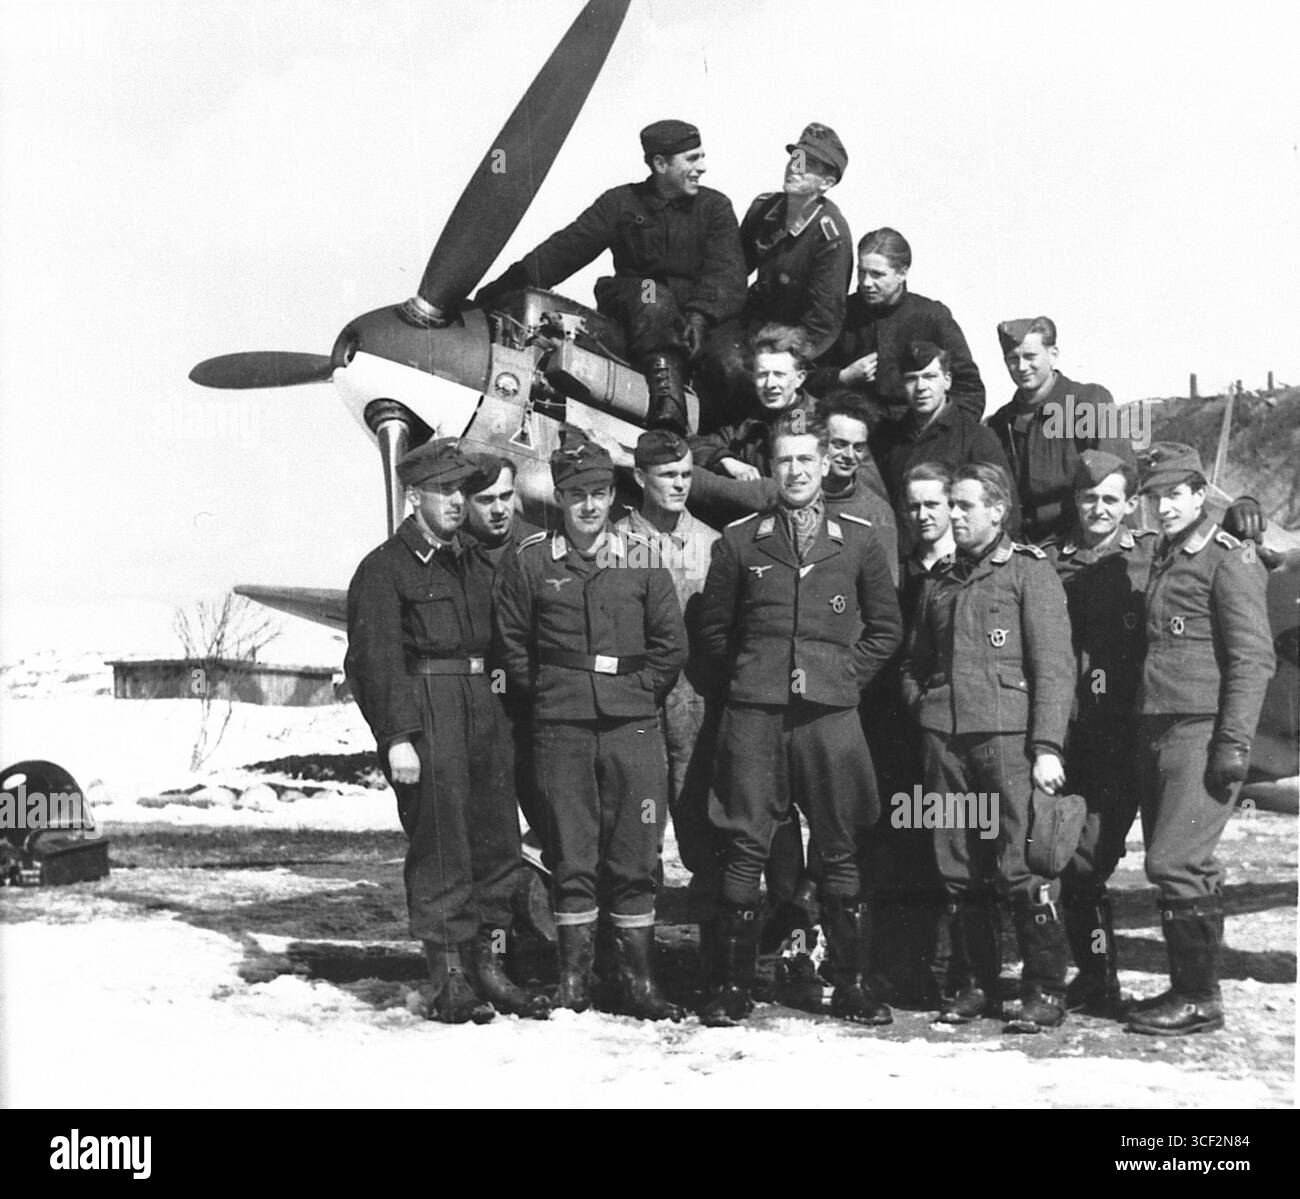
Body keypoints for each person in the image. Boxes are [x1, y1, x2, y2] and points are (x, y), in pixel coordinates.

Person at [697, 414, 903, 1025]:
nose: (795, 472)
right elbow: (712, 629)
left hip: (829, 717)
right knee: (745, 844)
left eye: (805, 461)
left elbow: (886, 628)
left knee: (840, 846)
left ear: (825, 465)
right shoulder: (739, 540)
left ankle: (853, 985)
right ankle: (734, 988)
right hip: (755, 716)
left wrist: (841, 678)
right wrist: (750, 678)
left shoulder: (859, 538)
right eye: (783, 461)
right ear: (772, 467)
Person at [344, 438, 550, 1023]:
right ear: (415, 496)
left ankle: (490, 968)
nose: (458, 501)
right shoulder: (384, 568)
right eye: (445, 490)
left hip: (483, 706)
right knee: (441, 843)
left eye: (463, 489)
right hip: (429, 708)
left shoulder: (470, 560)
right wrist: (397, 736)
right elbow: (373, 661)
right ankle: (449, 979)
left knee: (494, 840)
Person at [495, 430, 688, 1020]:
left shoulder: (643, 559)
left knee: (635, 857)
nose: (589, 506)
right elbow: (512, 649)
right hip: (561, 729)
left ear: (612, 495)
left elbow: (669, 646)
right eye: (577, 494)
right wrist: (556, 696)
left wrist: (631, 694)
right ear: (559, 496)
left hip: (632, 729)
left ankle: (639, 985)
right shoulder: (530, 561)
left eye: (600, 493)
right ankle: (575, 983)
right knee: (571, 857)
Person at [901, 462, 1075, 1031]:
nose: (952, 515)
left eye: (965, 506)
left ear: (997, 511)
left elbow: (1054, 669)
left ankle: (1044, 990)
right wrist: (922, 706)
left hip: (1005, 740)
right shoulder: (941, 577)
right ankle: (972, 985)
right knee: (956, 861)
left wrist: (1047, 744)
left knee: (1019, 861)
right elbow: (914, 660)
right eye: (950, 505)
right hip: (946, 743)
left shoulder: (1029, 572)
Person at [1125, 443, 1274, 1036]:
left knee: (1173, 860)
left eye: (1174, 494)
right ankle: (1195, 992)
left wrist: (1233, 745)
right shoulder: (1161, 555)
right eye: (1154, 496)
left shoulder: (1227, 559)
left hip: (1201, 729)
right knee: (1191, 867)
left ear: (1197, 493)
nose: (1162, 506)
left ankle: (1196, 997)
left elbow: (1253, 658)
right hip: (1157, 727)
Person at [475, 120, 746, 434]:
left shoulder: (715, 207)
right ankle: (668, 405)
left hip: (696, 316)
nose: (702, 167)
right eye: (692, 159)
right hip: (637, 306)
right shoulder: (620, 203)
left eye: (701, 157)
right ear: (660, 163)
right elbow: (566, 249)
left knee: (735, 367)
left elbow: (727, 271)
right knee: (653, 293)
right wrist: (499, 291)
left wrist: (701, 316)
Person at [1042, 452, 1157, 1017]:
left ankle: (1098, 972)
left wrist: (1236, 512)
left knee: (1089, 862)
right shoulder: (1047, 561)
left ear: (1130, 505)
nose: (1099, 509)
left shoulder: (1152, 556)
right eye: (1089, 498)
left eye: (1112, 499)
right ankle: (1095, 975)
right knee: (1065, 861)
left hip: (1122, 733)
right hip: (1068, 731)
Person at [613, 430, 724, 983]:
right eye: (667, 476)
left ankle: (713, 958)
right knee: (637, 827)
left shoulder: (711, 542)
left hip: (694, 700)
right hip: (636, 698)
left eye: (685, 475)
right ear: (640, 479)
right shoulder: (615, 543)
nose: (679, 485)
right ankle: (636, 964)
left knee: (701, 825)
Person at [805, 227, 985, 418]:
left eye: (877, 274)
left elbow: (970, 391)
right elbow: (801, 382)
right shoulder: (840, 314)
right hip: (851, 434)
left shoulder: (931, 316)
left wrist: (944, 438)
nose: (866, 282)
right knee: (795, 427)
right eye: (861, 272)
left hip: (914, 436)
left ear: (902, 273)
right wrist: (841, 377)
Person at [985, 316, 1135, 545]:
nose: (1022, 367)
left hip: (1082, 540)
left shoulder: (1088, 402)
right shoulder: (1002, 422)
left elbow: (1117, 479)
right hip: (1025, 546)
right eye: (1013, 359)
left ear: (1053, 354)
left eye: (1030, 356)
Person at [870, 340, 1014, 560]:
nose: (921, 387)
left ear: (947, 380)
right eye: (911, 379)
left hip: (956, 569)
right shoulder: (889, 440)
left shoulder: (976, 438)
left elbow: (1006, 515)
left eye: (929, 377)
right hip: (904, 568)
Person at [739, 123, 853, 361]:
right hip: (751, 325)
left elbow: (823, 321)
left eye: (807, 165)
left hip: (794, 342)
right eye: (795, 159)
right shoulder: (764, 208)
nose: (795, 168)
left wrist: (787, 357)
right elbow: (734, 270)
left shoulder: (831, 235)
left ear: (827, 183)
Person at [463, 453, 544, 566]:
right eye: (486, 500)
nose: (499, 510)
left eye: (506, 496)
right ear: (465, 501)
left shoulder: (541, 546)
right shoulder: (451, 551)